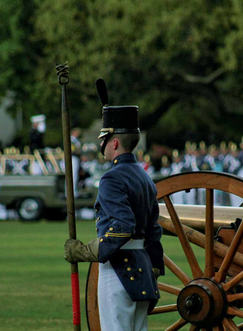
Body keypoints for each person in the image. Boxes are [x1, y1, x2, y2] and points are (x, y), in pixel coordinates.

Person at [64, 99, 164, 331]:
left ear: (115, 142)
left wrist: (85, 251)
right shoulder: (144, 176)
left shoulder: (111, 178)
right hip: (143, 269)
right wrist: (155, 267)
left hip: (119, 268)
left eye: (104, 139)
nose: (102, 144)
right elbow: (153, 230)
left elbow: (122, 226)